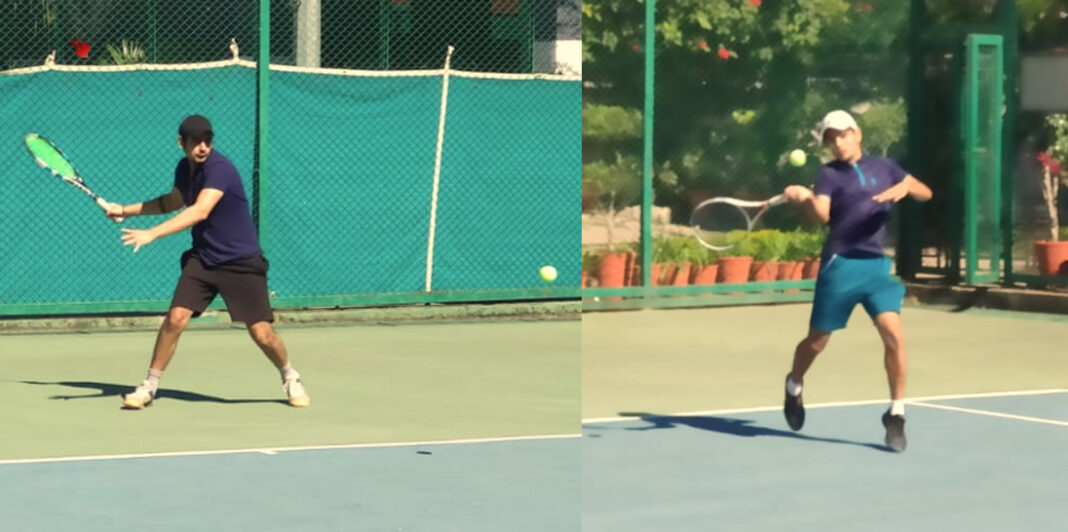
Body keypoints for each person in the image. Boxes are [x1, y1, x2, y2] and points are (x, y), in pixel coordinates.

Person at [107, 114, 310, 409]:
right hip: (204, 259)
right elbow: (172, 202)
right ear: (182, 142)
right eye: (196, 142)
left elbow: (200, 211)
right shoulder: (184, 168)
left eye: (207, 141)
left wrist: (152, 233)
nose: (203, 147)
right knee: (176, 318)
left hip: (241, 261)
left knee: (262, 333)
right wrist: (125, 210)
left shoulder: (220, 168)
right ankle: (149, 386)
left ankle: (290, 375)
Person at [780, 110, 932, 451]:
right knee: (817, 342)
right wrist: (806, 197)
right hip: (841, 266)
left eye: (843, 134)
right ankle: (794, 384)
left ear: (857, 133)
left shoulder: (885, 167)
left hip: (876, 267)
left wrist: (906, 186)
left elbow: (926, 192)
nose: (838, 142)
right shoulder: (828, 174)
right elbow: (823, 215)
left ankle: (896, 413)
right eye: (831, 138)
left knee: (894, 335)